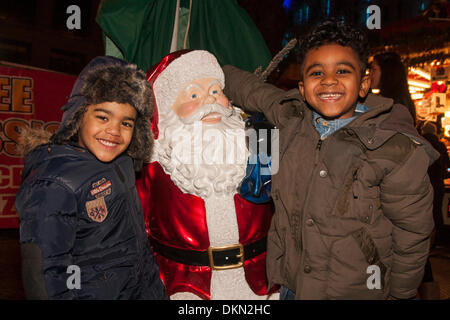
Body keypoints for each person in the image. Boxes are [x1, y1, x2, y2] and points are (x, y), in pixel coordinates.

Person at [222, 19, 438, 299]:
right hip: (292, 287)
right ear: (302, 88)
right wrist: (209, 69)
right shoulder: (291, 117)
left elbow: (412, 234)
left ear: (364, 83)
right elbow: (252, 90)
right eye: (316, 73)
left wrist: (400, 294)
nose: (329, 81)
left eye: (343, 71)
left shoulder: (393, 148)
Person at [15, 56, 167, 300]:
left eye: (126, 123)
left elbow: (138, 248)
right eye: (103, 117)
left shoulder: (122, 163)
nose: (114, 131)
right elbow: (44, 276)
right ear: (78, 115)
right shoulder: (54, 181)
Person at [136, 50, 278, 300]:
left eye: (215, 91)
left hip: (259, 284)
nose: (209, 101)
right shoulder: (153, 166)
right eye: (193, 95)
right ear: (168, 108)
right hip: (185, 287)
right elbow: (136, 230)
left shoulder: (260, 149)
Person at [370, 52, 417, 126]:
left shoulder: (391, 105)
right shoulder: (402, 100)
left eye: (374, 69)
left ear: (386, 72)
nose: (370, 74)